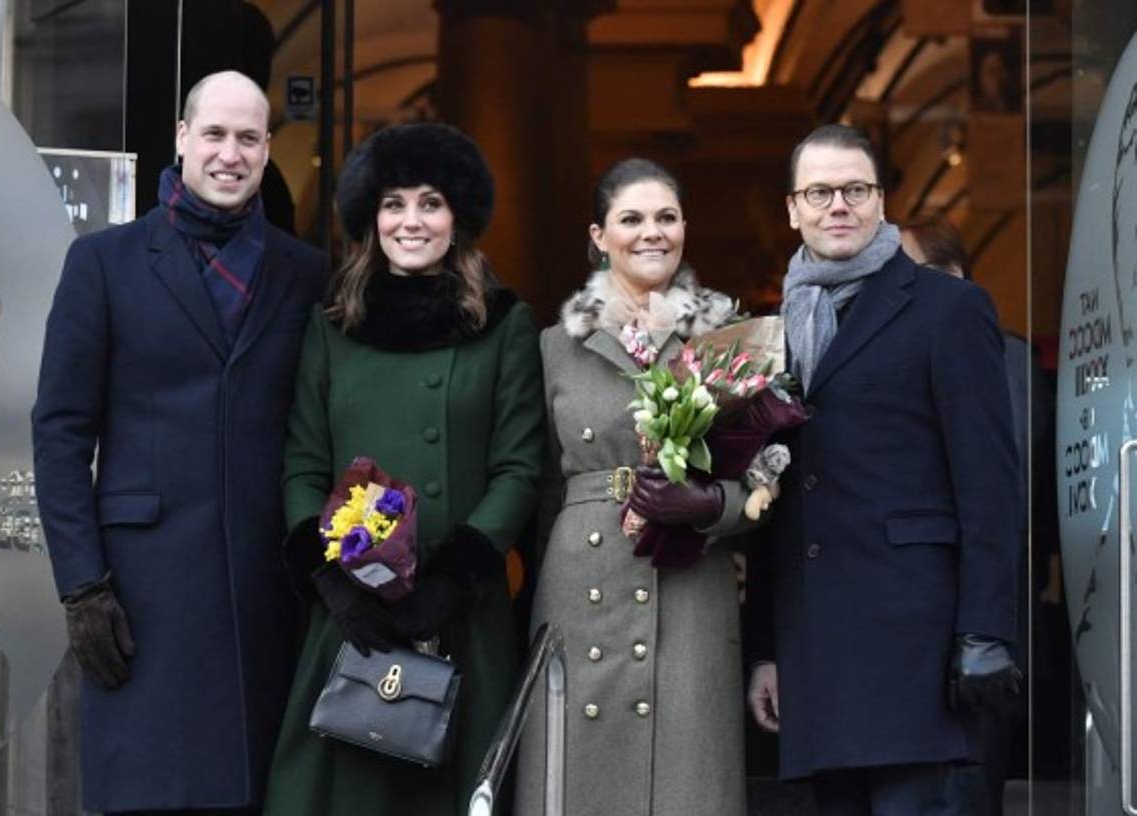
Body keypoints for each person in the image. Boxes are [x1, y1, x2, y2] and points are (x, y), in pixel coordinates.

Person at [31, 70, 326, 814]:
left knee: (259, 793)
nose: (231, 154)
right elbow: (62, 430)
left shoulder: (306, 273)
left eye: (249, 138)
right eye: (216, 135)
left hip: (265, 595)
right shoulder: (105, 262)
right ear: (182, 139)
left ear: (267, 151)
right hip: (139, 593)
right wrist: (82, 585)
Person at [261, 122, 545, 816]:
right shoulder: (331, 326)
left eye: (430, 203)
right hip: (353, 622)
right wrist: (334, 584)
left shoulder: (504, 324)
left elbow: (518, 467)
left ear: (458, 218)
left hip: (459, 619)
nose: (411, 221)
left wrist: (452, 579)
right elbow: (301, 464)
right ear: (370, 218)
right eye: (394, 204)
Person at [746, 124, 1022, 815]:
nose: (837, 205)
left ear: (880, 201)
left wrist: (986, 630)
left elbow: (989, 483)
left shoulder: (947, 308)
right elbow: (771, 503)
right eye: (819, 192)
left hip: (917, 649)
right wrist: (765, 651)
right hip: (817, 652)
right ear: (792, 208)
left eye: (855, 190)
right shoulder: (771, 329)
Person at [516, 157, 757, 816]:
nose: (652, 233)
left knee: (687, 785)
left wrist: (714, 505)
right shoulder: (552, 346)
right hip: (581, 584)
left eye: (667, 217)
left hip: (692, 583)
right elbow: (533, 486)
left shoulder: (728, 337)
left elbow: (766, 475)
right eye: (632, 219)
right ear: (599, 236)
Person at [901, 216, 1051, 816]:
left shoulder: (999, 354)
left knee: (970, 784)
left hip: (985, 617)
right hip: (924, 618)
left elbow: (1010, 494)